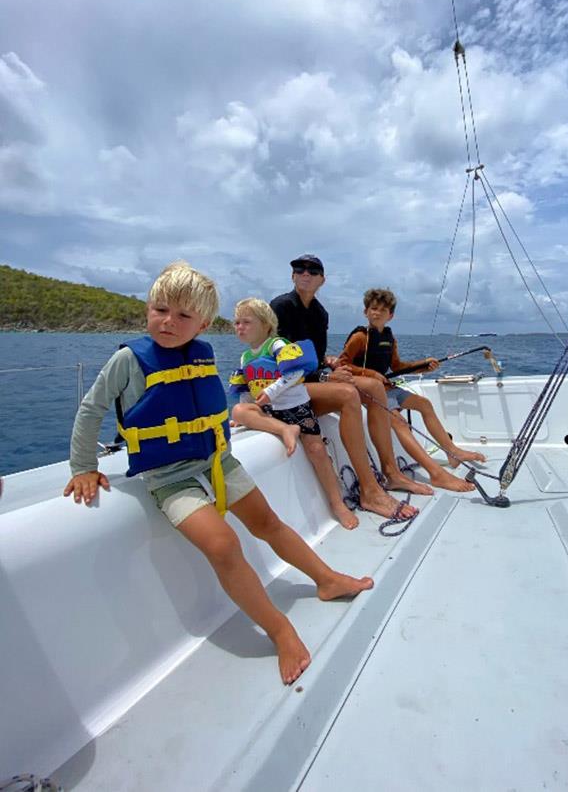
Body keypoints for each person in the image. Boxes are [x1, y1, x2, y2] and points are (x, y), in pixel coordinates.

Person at [64, 261, 373, 685]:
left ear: (204, 323)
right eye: (159, 310)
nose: (168, 322)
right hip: (170, 477)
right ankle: (280, 629)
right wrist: (84, 466)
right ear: (148, 309)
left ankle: (327, 579)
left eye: (183, 316)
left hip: (216, 460)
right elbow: (91, 409)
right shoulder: (128, 360)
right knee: (224, 545)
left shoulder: (202, 352)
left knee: (268, 523)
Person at [270, 255, 429, 520]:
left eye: (313, 270)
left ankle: (391, 473)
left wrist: (331, 366)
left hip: (310, 382)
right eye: (299, 269)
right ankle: (369, 491)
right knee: (348, 394)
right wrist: (325, 377)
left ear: (322, 279)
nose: (305, 273)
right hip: (284, 389)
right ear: (292, 276)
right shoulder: (281, 306)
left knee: (375, 387)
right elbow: (277, 360)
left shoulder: (321, 313)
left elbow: (315, 357)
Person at [338, 287, 486, 493]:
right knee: (399, 422)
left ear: (391, 315)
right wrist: (370, 375)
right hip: (369, 392)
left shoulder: (390, 338)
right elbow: (341, 365)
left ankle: (453, 452)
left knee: (424, 404)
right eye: (373, 308)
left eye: (382, 309)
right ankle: (435, 474)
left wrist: (423, 365)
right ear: (365, 312)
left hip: (387, 387)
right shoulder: (360, 338)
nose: (377, 313)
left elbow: (397, 366)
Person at [229, 297, 359, 530]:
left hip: (295, 407)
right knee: (239, 411)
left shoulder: (276, 345)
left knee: (316, 449)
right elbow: (248, 391)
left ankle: (337, 503)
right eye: (237, 322)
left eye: (246, 322)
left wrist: (270, 391)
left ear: (266, 324)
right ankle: (283, 429)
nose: (240, 327)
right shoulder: (245, 357)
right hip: (270, 410)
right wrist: (248, 408)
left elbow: (295, 372)